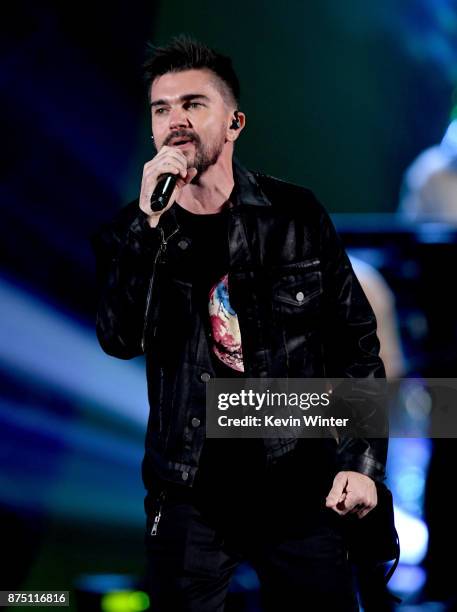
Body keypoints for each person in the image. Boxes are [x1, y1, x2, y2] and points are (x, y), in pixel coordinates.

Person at [93, 36, 388, 612]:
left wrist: (362, 464)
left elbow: (357, 346)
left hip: (300, 477)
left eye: (193, 104)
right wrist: (148, 226)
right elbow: (119, 337)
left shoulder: (297, 216)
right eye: (161, 109)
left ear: (233, 123)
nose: (175, 120)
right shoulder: (130, 233)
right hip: (188, 486)